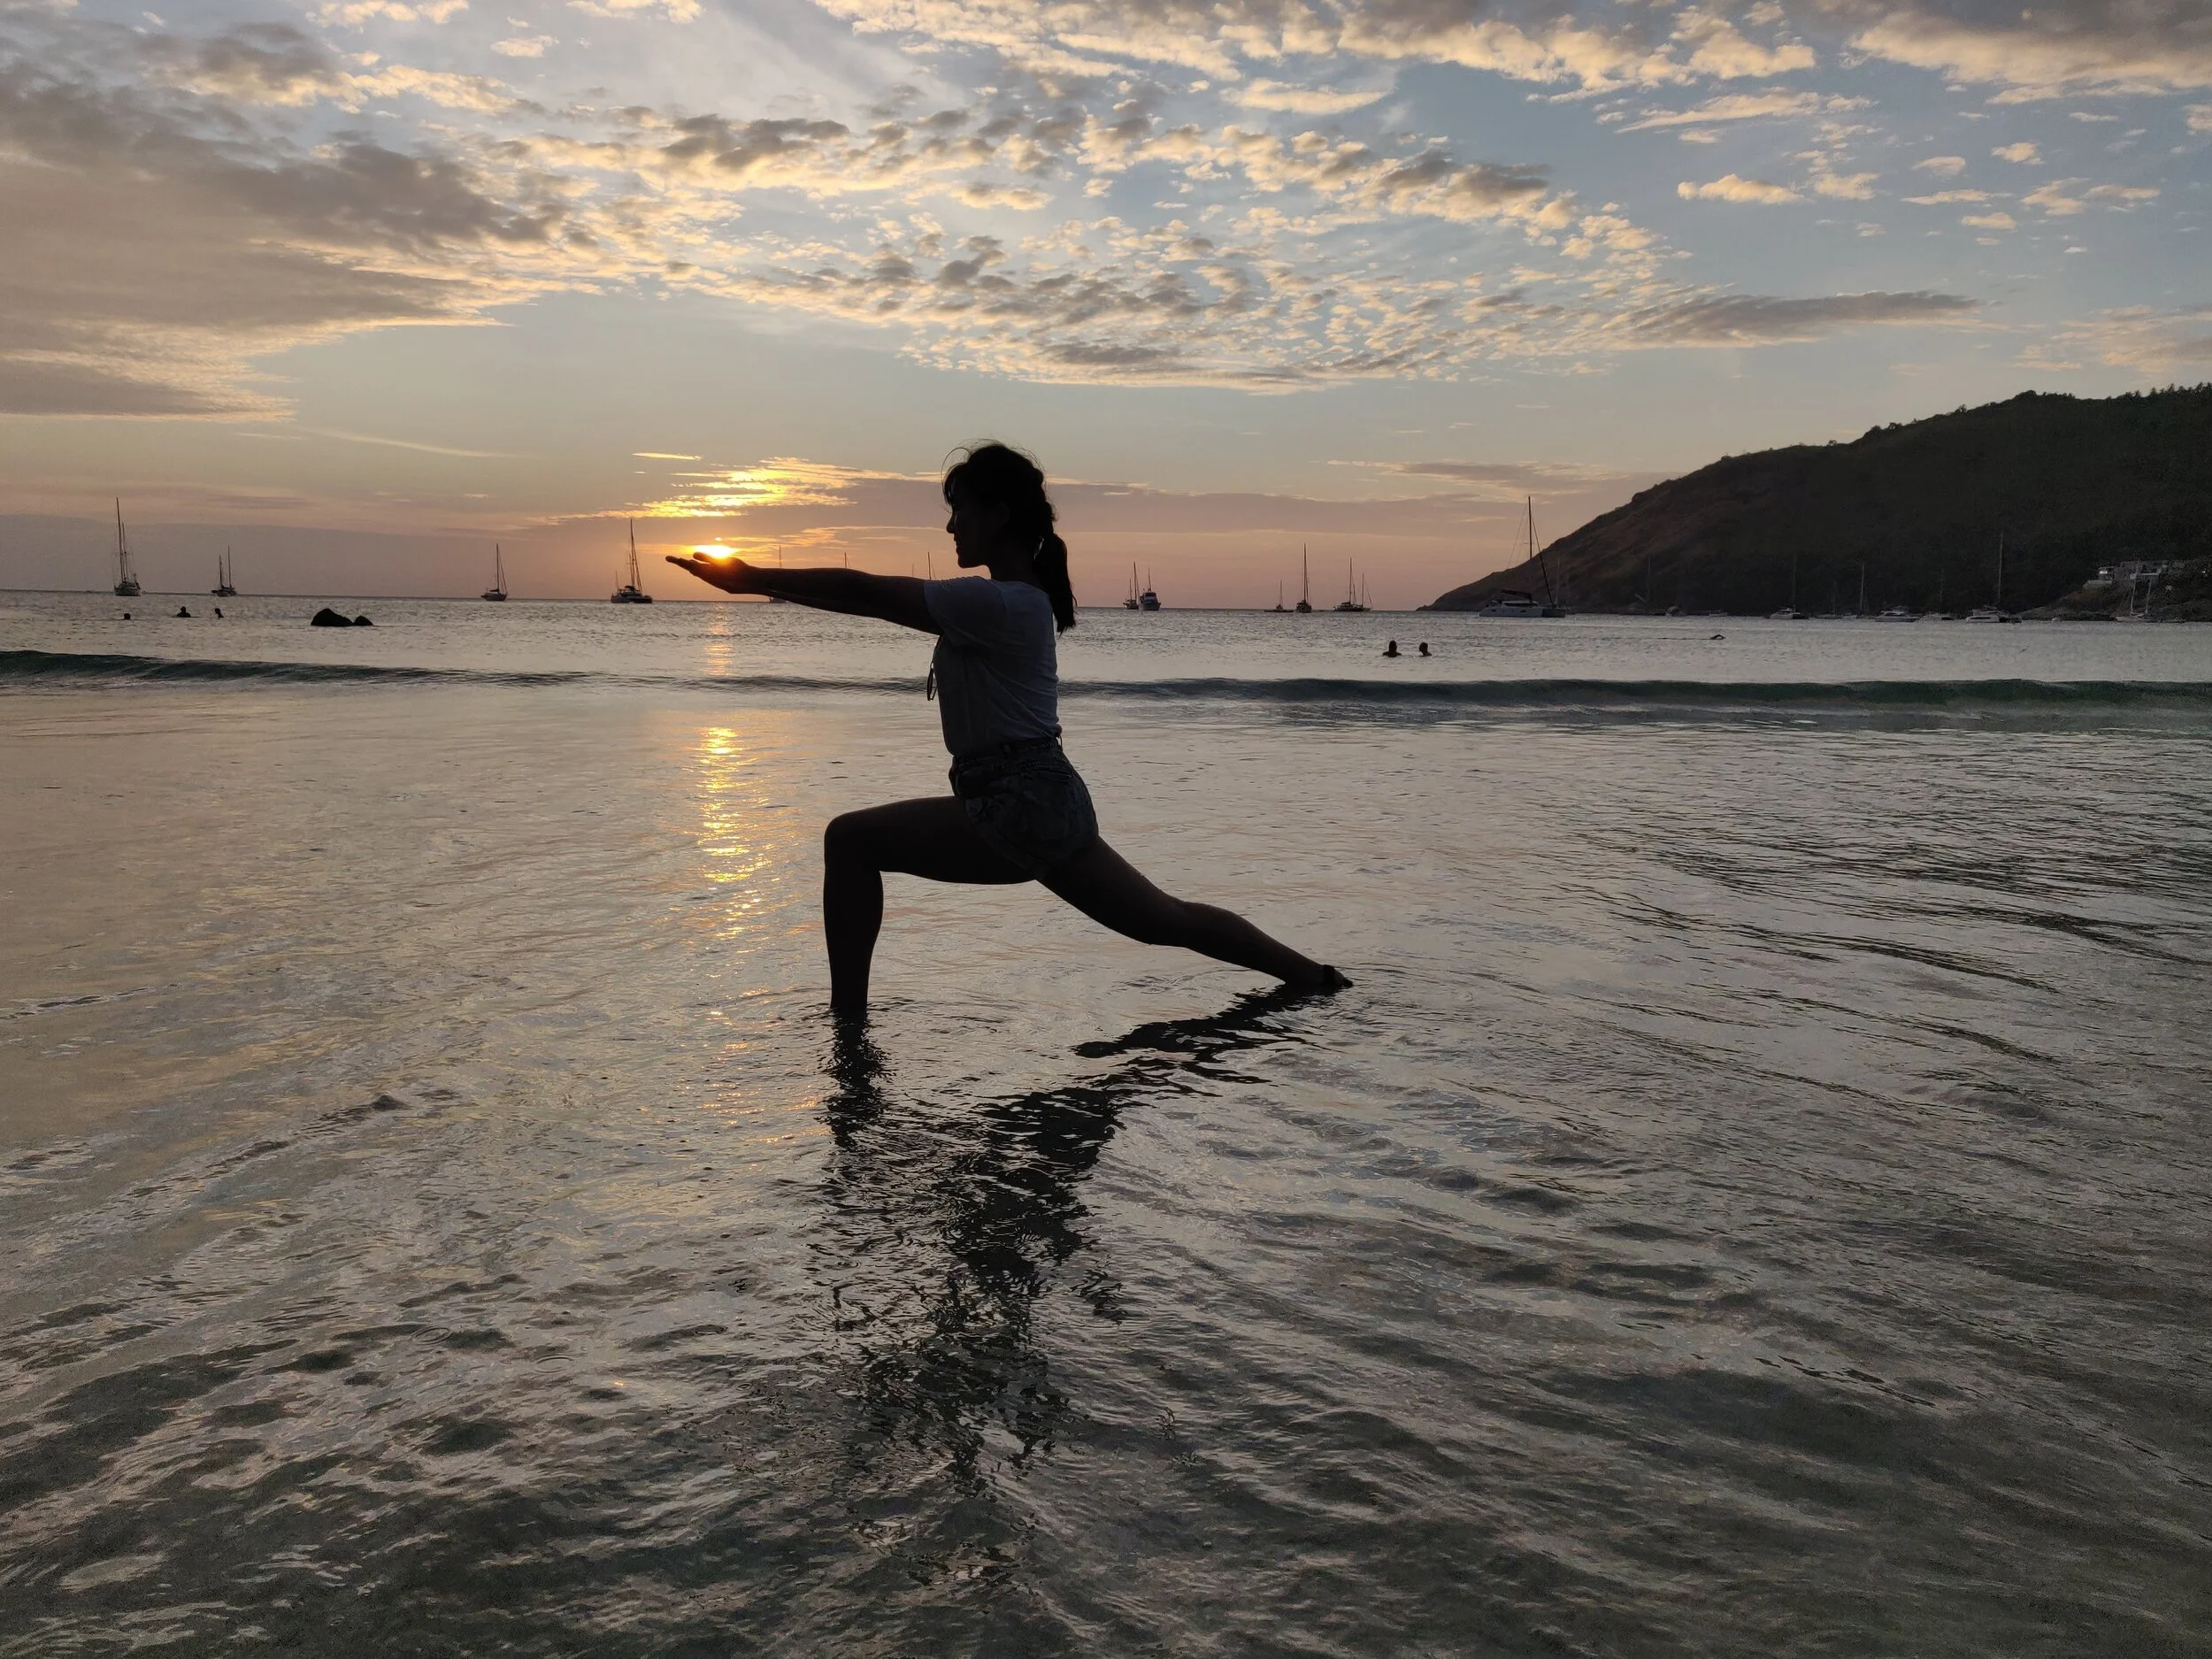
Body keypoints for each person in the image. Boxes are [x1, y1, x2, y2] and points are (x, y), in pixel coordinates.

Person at [669, 442, 1350, 1018]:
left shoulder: (998, 602)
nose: (950, 528)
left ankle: (847, 1028)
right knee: (1164, 921)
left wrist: (751, 578)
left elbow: (870, 592)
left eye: (959, 510)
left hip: (1018, 802)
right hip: (1043, 798)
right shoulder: (1013, 602)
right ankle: (1314, 978)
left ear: (998, 515)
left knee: (849, 841)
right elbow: (869, 595)